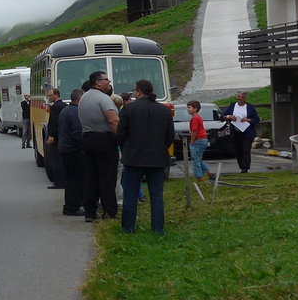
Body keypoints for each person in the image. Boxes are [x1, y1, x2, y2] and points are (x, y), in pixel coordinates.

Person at [117, 79, 175, 234]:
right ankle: (158, 228)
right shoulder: (164, 110)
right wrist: (161, 148)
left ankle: (128, 228)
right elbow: (170, 136)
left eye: (134, 90)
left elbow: (121, 134)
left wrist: (126, 148)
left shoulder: (128, 109)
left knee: (130, 194)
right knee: (157, 196)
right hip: (157, 158)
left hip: (133, 157)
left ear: (139, 92)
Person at [79, 70, 120, 222]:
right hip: (104, 139)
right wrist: (122, 139)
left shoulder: (84, 97)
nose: (109, 82)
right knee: (107, 178)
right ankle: (109, 212)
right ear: (98, 82)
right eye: (106, 80)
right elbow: (112, 121)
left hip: (87, 138)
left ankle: (90, 212)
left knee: (91, 177)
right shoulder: (104, 99)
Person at [57, 88, 86, 216]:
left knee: (70, 179)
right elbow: (76, 133)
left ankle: (70, 205)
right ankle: (72, 207)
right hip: (73, 150)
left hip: (64, 148)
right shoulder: (76, 112)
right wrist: (83, 148)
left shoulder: (66, 110)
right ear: (80, 99)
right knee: (75, 180)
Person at [224, 91, 260, 174]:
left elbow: (256, 120)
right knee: (238, 150)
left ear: (245, 98)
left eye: (242, 97)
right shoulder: (232, 106)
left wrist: (248, 119)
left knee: (246, 149)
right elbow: (223, 116)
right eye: (238, 96)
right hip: (235, 131)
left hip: (247, 132)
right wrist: (230, 117)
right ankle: (241, 166)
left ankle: (245, 168)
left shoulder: (250, 107)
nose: (240, 98)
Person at [44, 88, 67, 189]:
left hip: (56, 137)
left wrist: (51, 135)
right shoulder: (63, 105)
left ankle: (59, 182)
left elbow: (54, 122)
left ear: (56, 95)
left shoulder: (56, 107)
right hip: (62, 136)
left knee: (56, 160)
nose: (49, 98)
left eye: (50, 95)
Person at [186, 99, 210, 182]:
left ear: (195, 108)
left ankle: (199, 178)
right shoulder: (198, 117)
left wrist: (192, 141)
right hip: (203, 140)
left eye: (189, 107)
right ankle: (210, 173)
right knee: (198, 159)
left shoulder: (195, 118)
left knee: (195, 161)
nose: (187, 109)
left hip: (198, 141)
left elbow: (194, 131)